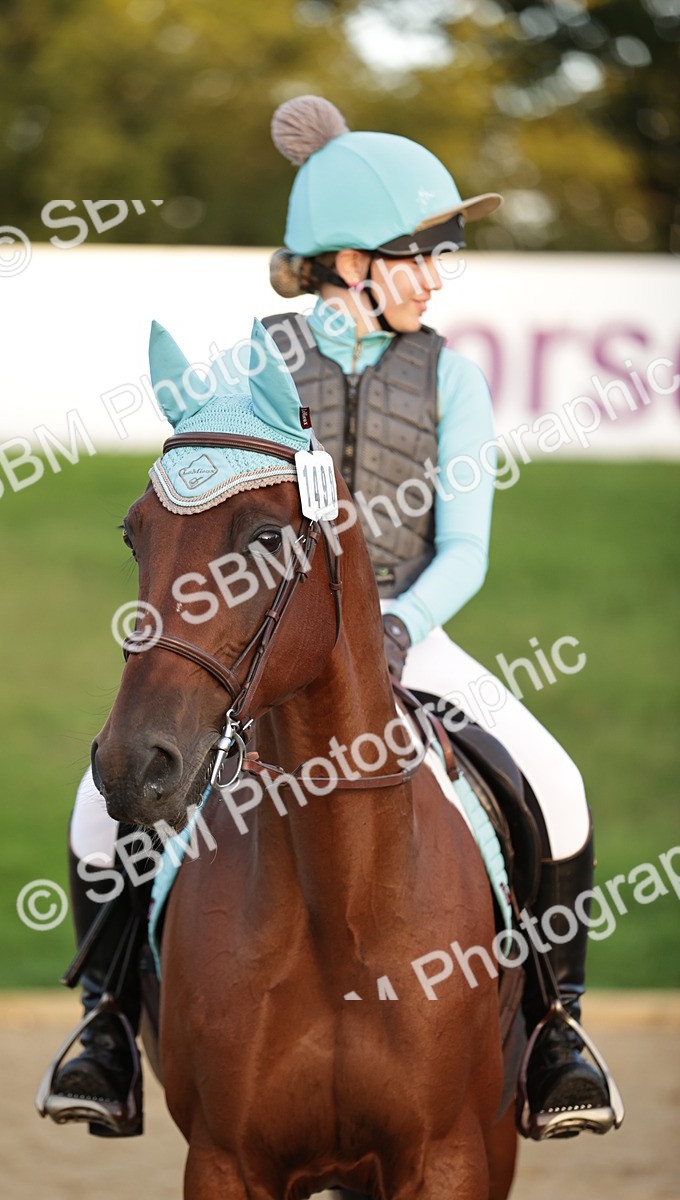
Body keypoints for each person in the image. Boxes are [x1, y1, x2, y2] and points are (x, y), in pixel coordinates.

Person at [40, 96, 619, 1142]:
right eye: (423, 254)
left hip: (409, 632)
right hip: (271, 646)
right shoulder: (244, 371)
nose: (437, 276)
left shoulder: (451, 377)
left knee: (559, 785)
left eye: (443, 256)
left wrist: (396, 628)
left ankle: (553, 1032)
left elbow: (466, 548)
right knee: (99, 805)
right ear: (351, 262)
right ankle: (108, 1024)